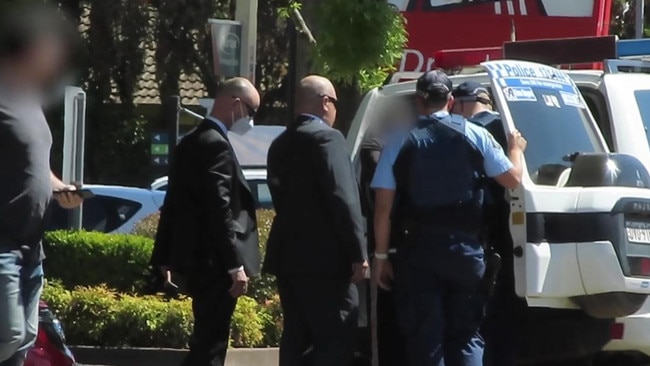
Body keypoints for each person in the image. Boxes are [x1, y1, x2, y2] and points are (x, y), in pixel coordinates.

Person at [372, 70, 527, 366]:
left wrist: (382, 256)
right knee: (467, 336)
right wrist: (516, 150)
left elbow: (383, 208)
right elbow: (513, 180)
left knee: (425, 339)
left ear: (419, 101)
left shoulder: (398, 141)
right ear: (451, 101)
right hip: (466, 252)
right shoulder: (476, 134)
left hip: (418, 253)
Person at [151, 77, 261, 366]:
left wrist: (163, 256)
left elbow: (172, 203)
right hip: (215, 264)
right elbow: (219, 209)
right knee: (211, 345)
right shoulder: (216, 145)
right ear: (235, 103)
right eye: (251, 110)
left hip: (196, 261)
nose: (250, 119)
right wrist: (234, 264)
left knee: (204, 341)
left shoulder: (189, 142)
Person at [264, 75, 368, 366]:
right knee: (336, 337)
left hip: (289, 258)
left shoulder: (279, 144)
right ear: (325, 103)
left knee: (296, 337)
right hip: (327, 262)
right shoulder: (328, 138)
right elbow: (343, 198)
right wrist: (357, 253)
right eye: (335, 103)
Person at [0, 4, 83, 366]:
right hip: (1, 246)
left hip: (32, 250)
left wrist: (60, 187)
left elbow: (36, 165)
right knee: (11, 335)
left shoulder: (29, 100)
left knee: (22, 345)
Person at [452, 81, 521, 366]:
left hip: (471, 240)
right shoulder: (508, 130)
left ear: (461, 104)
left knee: (471, 328)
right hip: (512, 239)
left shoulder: (462, 131)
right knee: (504, 324)